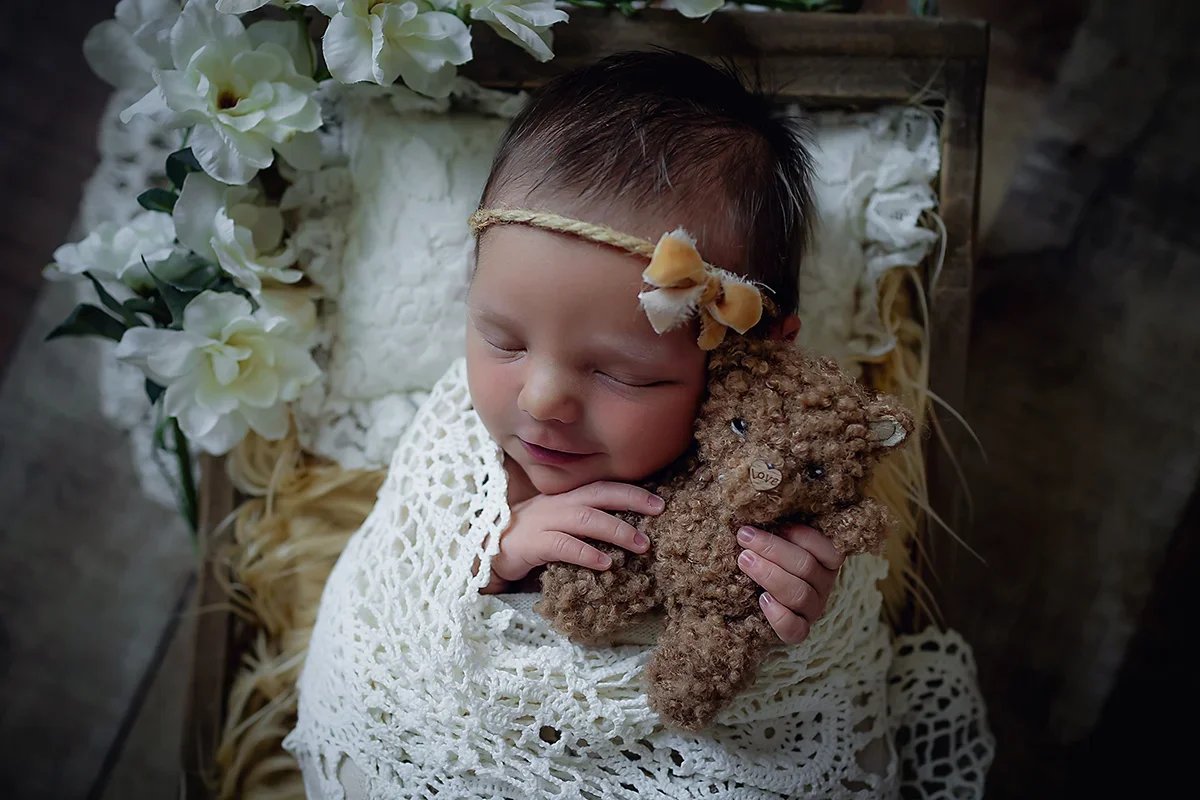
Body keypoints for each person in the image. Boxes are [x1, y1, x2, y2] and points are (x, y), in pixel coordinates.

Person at [286, 51, 903, 798]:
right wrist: (494, 549)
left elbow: (820, 670)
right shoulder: (465, 438)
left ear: (758, 356)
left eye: (623, 374)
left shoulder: (777, 479)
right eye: (503, 339)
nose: (542, 399)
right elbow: (403, 576)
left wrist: (796, 604)